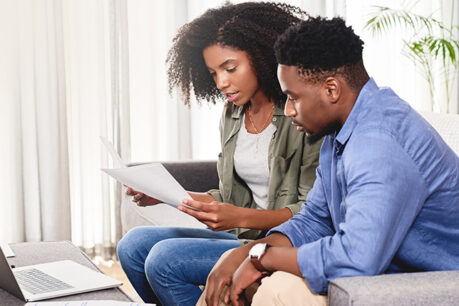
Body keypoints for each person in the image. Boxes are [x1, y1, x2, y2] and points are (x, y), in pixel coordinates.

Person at [199, 16, 459, 306]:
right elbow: (314, 220)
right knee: (237, 267)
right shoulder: (340, 133)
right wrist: (248, 252)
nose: (288, 110)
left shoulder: (379, 143)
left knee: (280, 289)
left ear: (332, 90)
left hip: (436, 284)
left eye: (293, 97)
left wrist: (262, 259)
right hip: (386, 273)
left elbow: (357, 259)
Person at [116, 3, 322, 305]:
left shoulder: (301, 112)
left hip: (280, 241)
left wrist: (239, 216)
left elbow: (311, 213)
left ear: (262, 56)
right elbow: (229, 197)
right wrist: (169, 196)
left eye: (230, 68)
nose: (221, 82)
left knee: (165, 260)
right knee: (132, 246)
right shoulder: (233, 114)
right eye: (213, 73)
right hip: (244, 233)